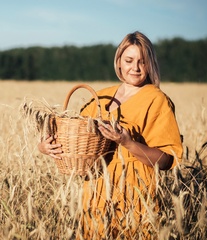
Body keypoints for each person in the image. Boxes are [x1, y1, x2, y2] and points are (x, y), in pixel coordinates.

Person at [38, 31, 183, 238]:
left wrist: (128, 143)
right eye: (129, 60)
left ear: (150, 64)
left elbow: (167, 160)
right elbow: (73, 135)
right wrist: (45, 147)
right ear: (119, 62)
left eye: (142, 61)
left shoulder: (157, 100)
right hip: (95, 193)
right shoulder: (102, 96)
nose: (135, 67)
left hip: (135, 195)